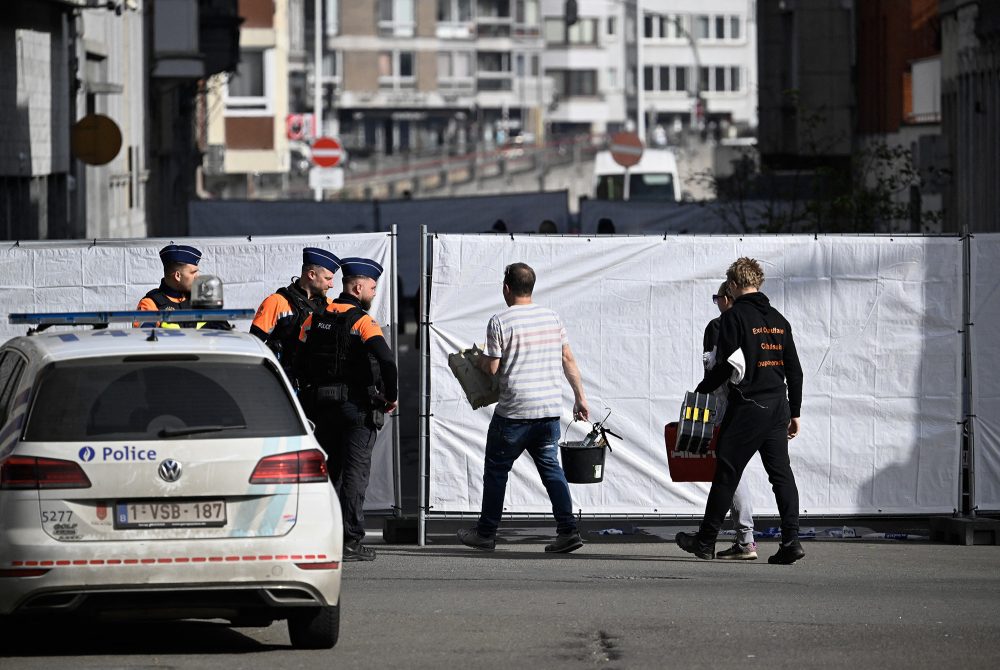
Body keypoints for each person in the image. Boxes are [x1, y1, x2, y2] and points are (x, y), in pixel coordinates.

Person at [676, 257, 805, 565]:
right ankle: (791, 541)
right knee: (782, 475)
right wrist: (795, 412)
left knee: (726, 472)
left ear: (732, 286)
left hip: (749, 405)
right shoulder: (778, 319)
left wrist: (699, 393)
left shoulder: (735, 318)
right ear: (757, 283)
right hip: (778, 406)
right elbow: (795, 371)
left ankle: (705, 540)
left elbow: (724, 367)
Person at [457, 262, 590, 554]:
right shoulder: (552, 317)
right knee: (552, 471)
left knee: (496, 471)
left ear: (506, 288)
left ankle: (486, 533)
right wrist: (580, 397)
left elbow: (492, 368)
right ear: (531, 287)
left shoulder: (500, 321)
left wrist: (478, 360)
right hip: (549, 412)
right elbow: (568, 358)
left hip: (514, 414)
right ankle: (568, 531)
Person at [297, 257, 398, 562]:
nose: (374, 292)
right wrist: (388, 396)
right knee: (355, 474)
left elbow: (299, 358)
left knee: (330, 474)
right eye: (372, 287)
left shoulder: (313, 318)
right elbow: (388, 361)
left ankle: (325, 538)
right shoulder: (362, 321)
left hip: (321, 408)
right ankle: (350, 541)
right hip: (355, 408)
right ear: (357, 287)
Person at [703, 281, 757, 560]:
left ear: (728, 298)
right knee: (737, 471)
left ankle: (742, 538)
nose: (717, 302)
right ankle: (742, 537)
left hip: (725, 406)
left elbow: (714, 368)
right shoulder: (754, 324)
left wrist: (701, 393)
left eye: (717, 297)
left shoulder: (719, 326)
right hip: (752, 404)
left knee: (731, 473)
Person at [250, 247, 340, 385]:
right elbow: (253, 345)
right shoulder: (276, 302)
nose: (332, 285)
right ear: (311, 274)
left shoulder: (331, 306)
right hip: (284, 385)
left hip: (319, 388)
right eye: (328, 278)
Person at [136, 244, 228, 329]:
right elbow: (143, 338)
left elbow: (226, 333)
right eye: (193, 272)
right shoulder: (150, 304)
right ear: (178, 276)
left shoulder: (201, 300)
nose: (197, 277)